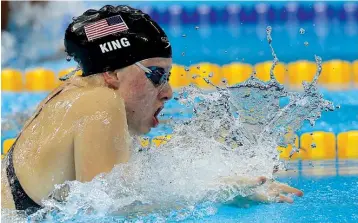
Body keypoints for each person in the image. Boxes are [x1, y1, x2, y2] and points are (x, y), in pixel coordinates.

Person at [1, 5, 303, 215]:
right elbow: (108, 209)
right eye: (157, 76)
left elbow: (122, 191)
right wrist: (222, 192)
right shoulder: (101, 103)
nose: (168, 92)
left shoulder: (75, 95)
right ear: (111, 73)